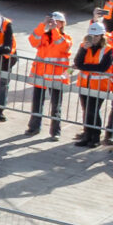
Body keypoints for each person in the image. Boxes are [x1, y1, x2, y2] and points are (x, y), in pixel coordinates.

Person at [28, 9, 73, 138]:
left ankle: (55, 132)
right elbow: (32, 41)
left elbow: (63, 47)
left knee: (56, 107)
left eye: (57, 22)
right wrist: (43, 25)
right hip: (40, 75)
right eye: (53, 21)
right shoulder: (43, 36)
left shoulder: (66, 38)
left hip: (56, 78)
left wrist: (54, 30)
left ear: (63, 24)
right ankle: (34, 127)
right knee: (37, 104)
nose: (54, 24)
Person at [74, 22, 113, 146]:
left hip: (100, 87)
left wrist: (85, 67)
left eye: (96, 36)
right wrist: (84, 50)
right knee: (86, 110)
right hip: (84, 85)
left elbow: (103, 67)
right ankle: (87, 135)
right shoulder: (84, 46)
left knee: (93, 111)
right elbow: (77, 62)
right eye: (92, 36)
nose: (93, 39)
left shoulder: (108, 49)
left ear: (101, 36)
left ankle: (95, 137)